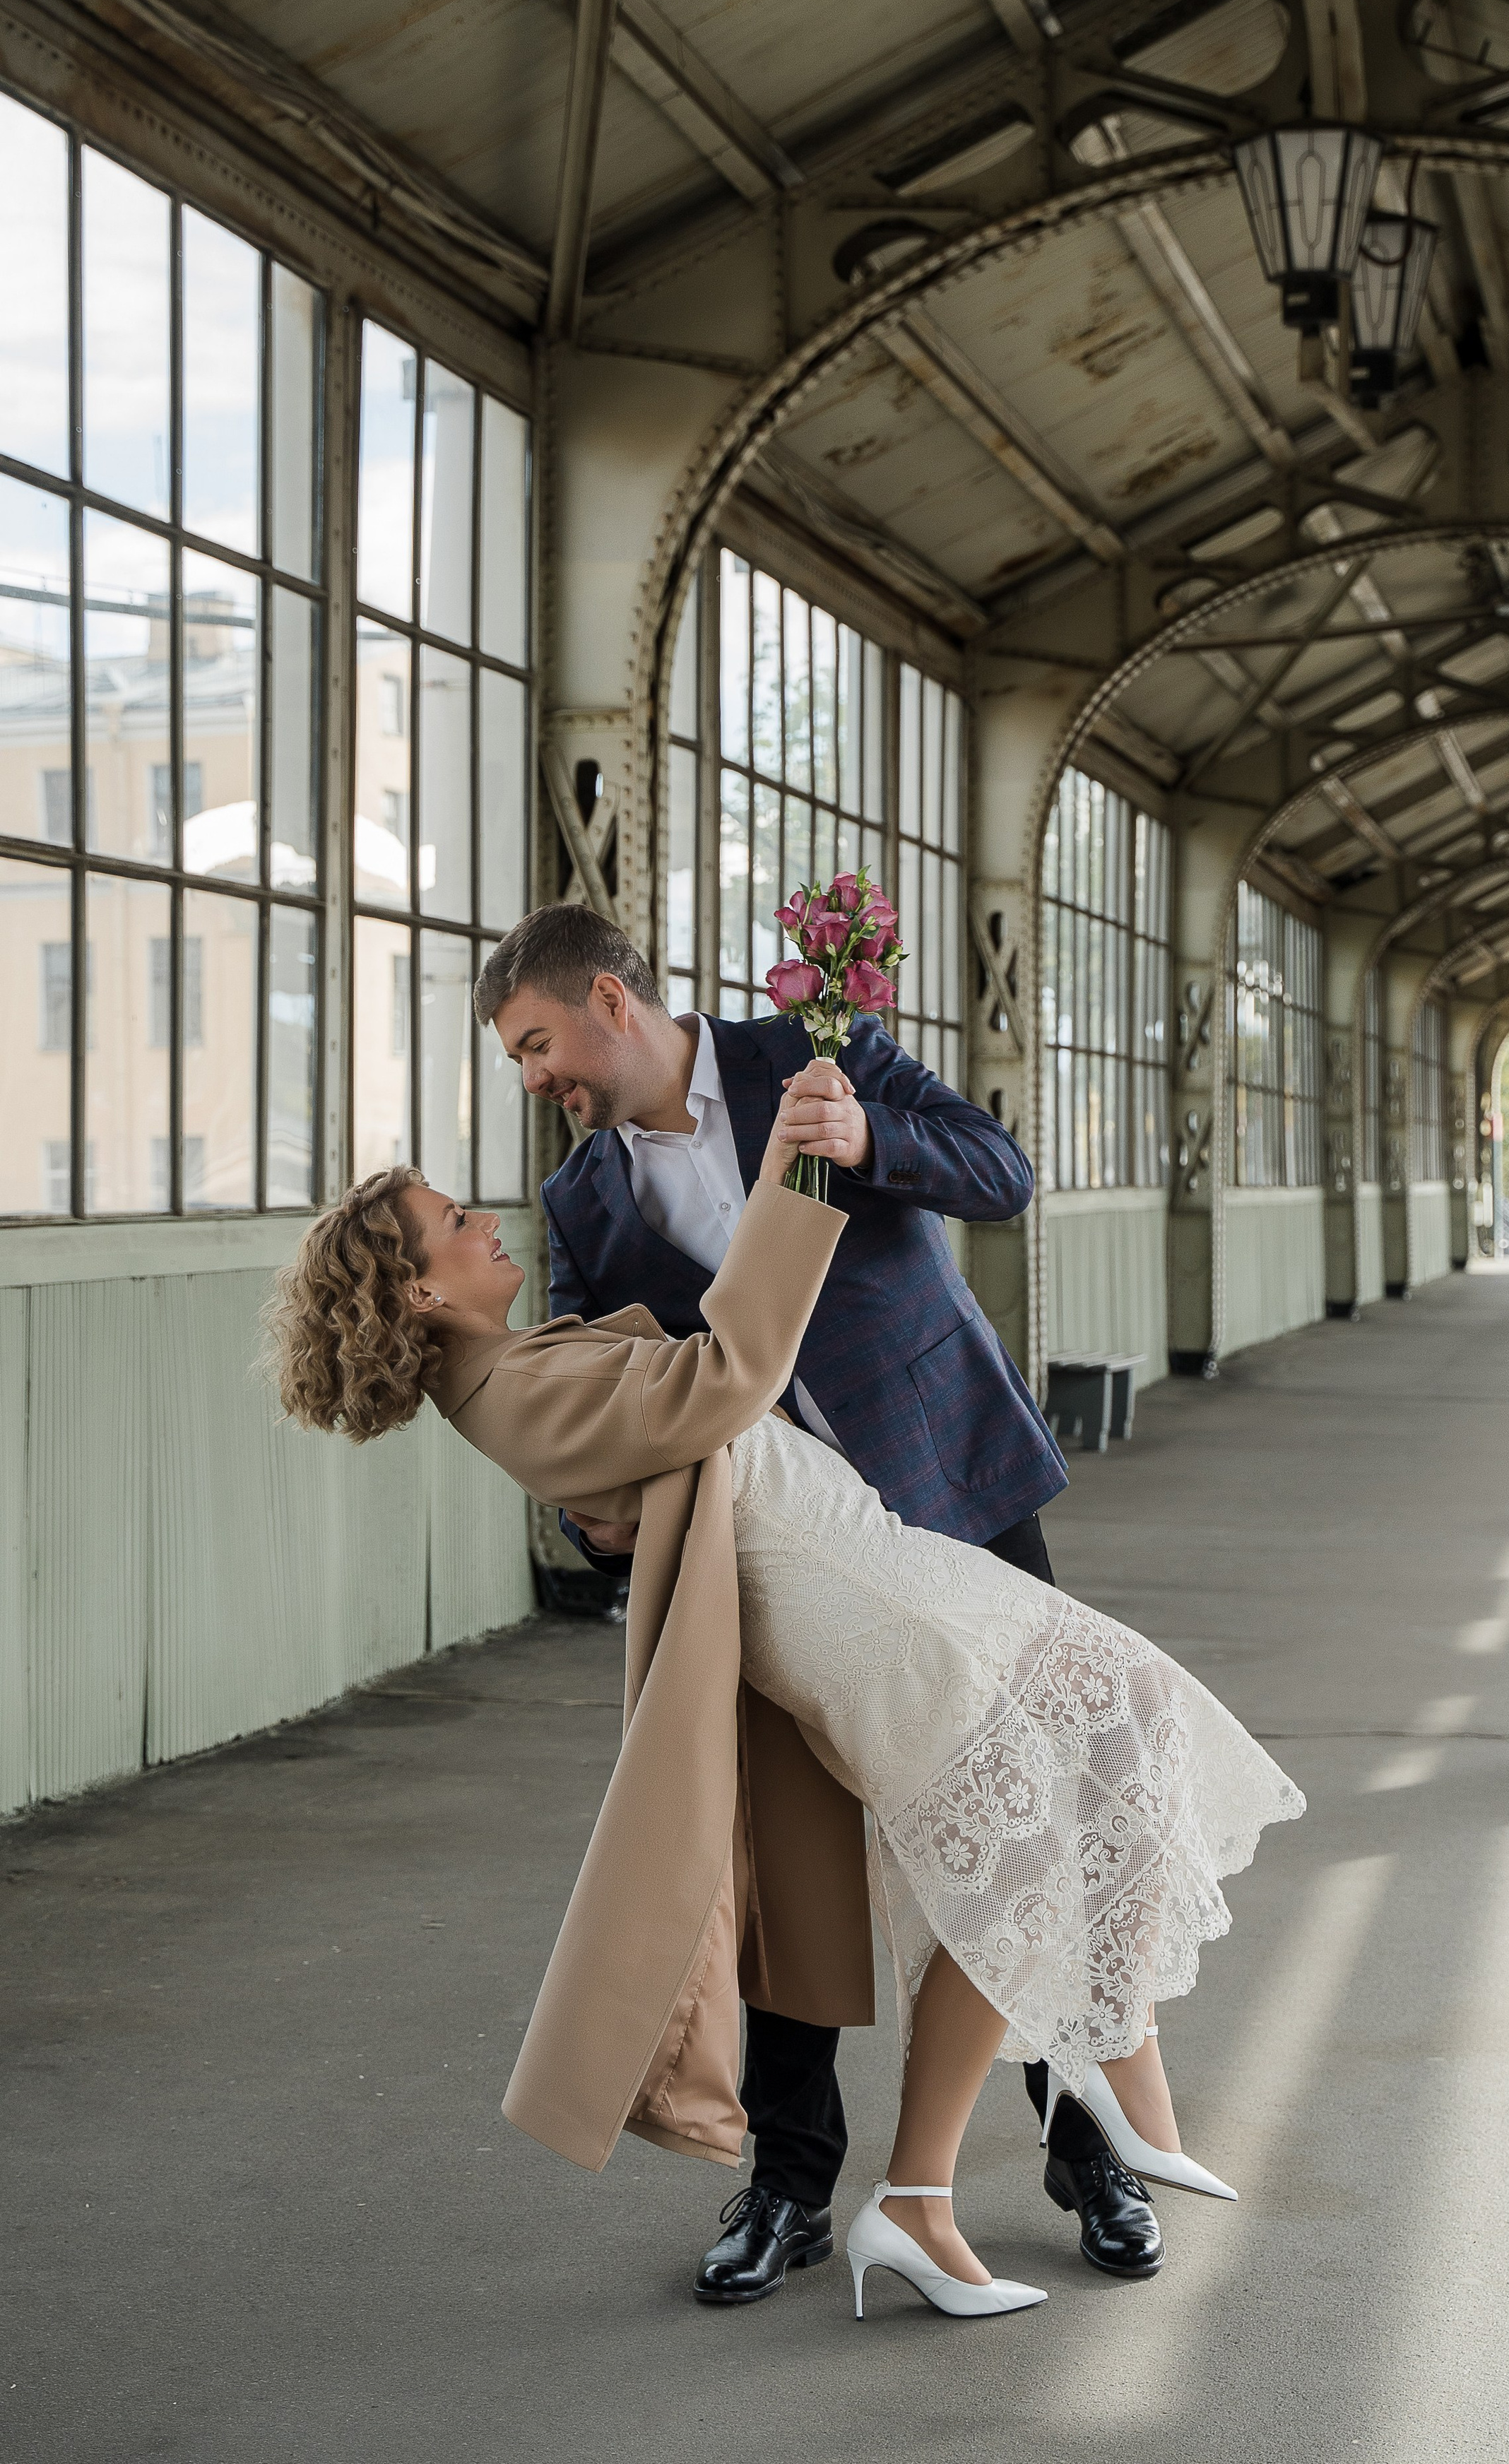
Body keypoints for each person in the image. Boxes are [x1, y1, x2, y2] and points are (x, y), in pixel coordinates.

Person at [266, 1101, 1305, 2324]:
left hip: (880, 1560)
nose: (482, 1217)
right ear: (424, 1294)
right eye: (452, 1222)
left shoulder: (521, 1365)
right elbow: (728, 1373)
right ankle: (965, 2176)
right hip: (865, 1609)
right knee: (1020, 1850)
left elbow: (669, 1442)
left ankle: (1038, 2140)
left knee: (1095, 1757)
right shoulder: (515, 1393)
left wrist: (641, 1498)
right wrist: (794, 1167)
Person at [473, 904, 1168, 2300]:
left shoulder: (812, 1052)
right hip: (773, 1569)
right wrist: (592, 1516)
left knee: (1038, 1825)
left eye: (536, 1044)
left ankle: (1086, 2148)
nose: (531, 1079)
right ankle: (791, 2185)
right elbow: (578, 1380)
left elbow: (999, 1172)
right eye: (516, 1062)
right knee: (786, 1874)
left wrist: (868, 1140)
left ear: (612, 999)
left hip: (949, 1493)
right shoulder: (581, 1205)